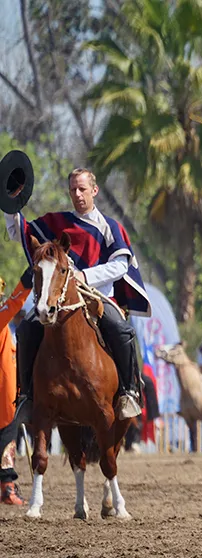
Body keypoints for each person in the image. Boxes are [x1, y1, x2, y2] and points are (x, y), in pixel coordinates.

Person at [5, 168, 150, 421]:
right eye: (73, 189)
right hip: (59, 300)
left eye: (82, 189)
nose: (78, 194)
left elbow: (121, 265)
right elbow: (20, 232)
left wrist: (84, 276)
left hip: (98, 297)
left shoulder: (109, 226)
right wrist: (10, 204)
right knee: (28, 329)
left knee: (123, 331)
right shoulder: (57, 222)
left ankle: (129, 392)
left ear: (94, 191)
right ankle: (27, 395)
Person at [0, 271, 30, 504]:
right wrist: (25, 284)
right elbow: (13, 304)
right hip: (3, 399)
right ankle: (8, 489)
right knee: (7, 442)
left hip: (9, 394)